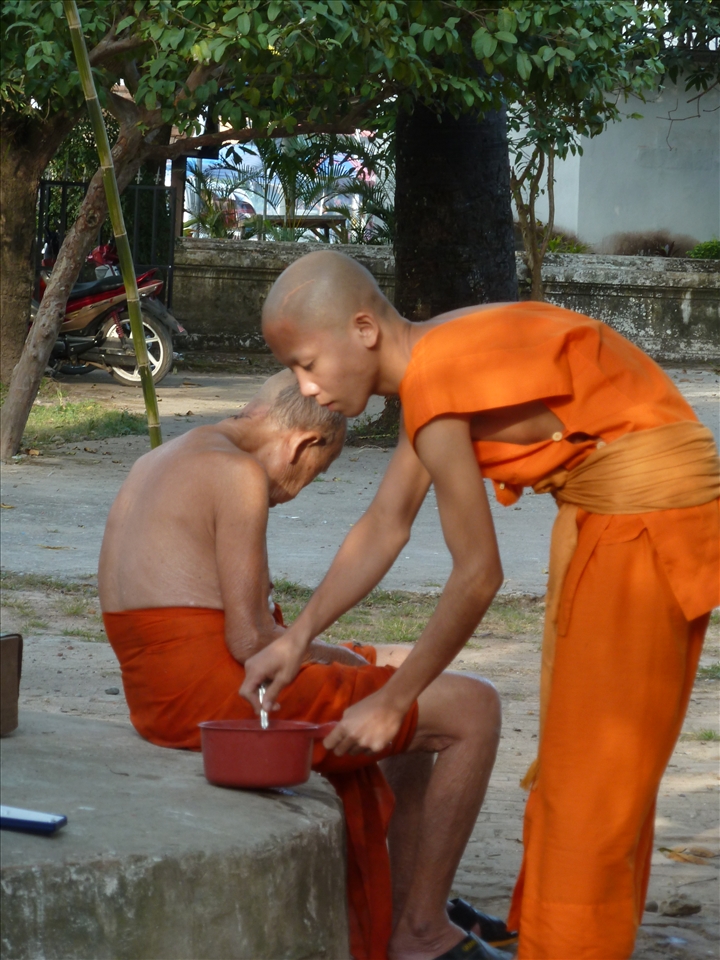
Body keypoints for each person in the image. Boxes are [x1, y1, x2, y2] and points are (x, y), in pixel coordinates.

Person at [242, 251, 720, 960]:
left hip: (646, 522)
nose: (306, 388)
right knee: (578, 767)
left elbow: (477, 576)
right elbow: (384, 525)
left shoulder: (436, 378)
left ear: (364, 329)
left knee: (596, 783)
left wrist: (394, 700)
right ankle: (553, 937)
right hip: (619, 516)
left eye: (307, 362)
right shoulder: (431, 360)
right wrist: (299, 634)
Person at [98, 371, 514, 960]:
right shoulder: (238, 475)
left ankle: (411, 899)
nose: (297, 490)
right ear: (303, 444)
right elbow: (249, 640)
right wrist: (338, 657)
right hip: (218, 697)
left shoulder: (166, 457)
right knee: (475, 707)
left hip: (161, 691)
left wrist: (346, 658)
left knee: (409, 670)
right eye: (314, 475)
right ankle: (421, 931)